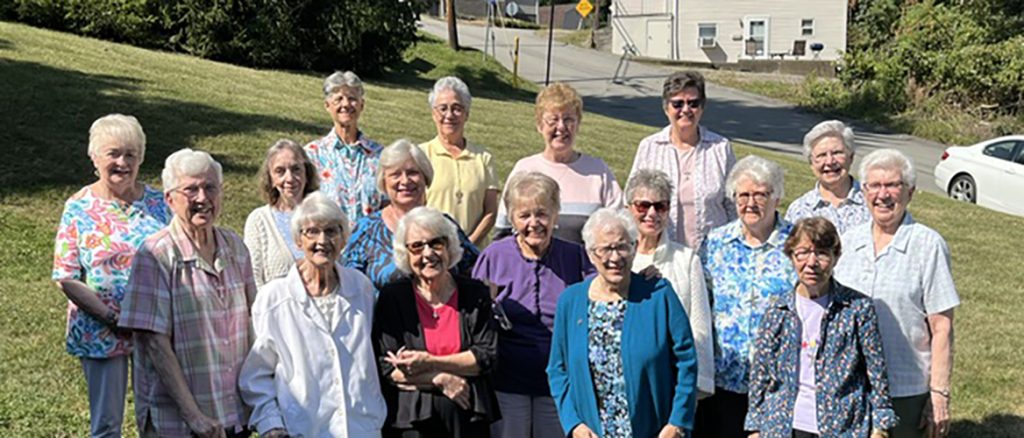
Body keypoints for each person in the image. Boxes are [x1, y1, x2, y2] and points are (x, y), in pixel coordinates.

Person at [119, 149, 256, 438]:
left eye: (210, 188)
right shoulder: (155, 254)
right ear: (170, 199)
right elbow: (154, 343)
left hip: (234, 414)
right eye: (191, 189)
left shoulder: (234, 246)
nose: (202, 198)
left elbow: (254, 319)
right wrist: (194, 416)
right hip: (181, 424)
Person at [52, 114, 171, 438]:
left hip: (154, 327)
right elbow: (66, 276)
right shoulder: (79, 207)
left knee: (159, 420)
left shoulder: (159, 204)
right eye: (113, 154)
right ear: (95, 157)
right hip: (101, 329)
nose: (123, 163)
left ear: (141, 158)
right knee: (106, 425)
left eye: (131, 154)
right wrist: (112, 318)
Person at [834, 149, 959, 438]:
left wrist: (939, 393)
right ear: (864, 192)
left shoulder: (928, 245)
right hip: (849, 386)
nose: (883, 194)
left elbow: (942, 327)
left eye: (892, 185)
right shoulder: (848, 242)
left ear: (910, 192)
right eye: (875, 186)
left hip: (904, 389)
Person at [240, 193, 385, 437]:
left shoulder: (361, 288)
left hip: (361, 427)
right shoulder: (274, 298)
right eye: (312, 232)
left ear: (343, 239)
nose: (322, 240)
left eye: (331, 231)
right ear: (298, 240)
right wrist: (271, 423)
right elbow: (256, 375)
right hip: (302, 429)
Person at [547, 207, 697, 438]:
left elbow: (687, 361)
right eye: (606, 249)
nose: (615, 257)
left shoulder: (659, 294)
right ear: (590, 254)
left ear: (634, 248)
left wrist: (677, 422)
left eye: (622, 247)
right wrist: (573, 424)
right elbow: (557, 370)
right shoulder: (570, 301)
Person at [745, 217, 898, 438]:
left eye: (822, 254)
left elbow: (876, 372)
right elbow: (760, 373)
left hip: (842, 427)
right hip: (783, 425)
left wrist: (881, 426)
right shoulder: (777, 310)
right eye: (802, 253)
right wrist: (755, 428)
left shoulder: (857, 308)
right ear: (791, 256)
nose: (812, 263)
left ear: (835, 257)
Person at [471, 172, 594, 438]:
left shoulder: (575, 256)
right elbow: (474, 317)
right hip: (506, 380)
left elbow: (606, 290)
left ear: (556, 214)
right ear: (512, 219)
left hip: (559, 383)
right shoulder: (495, 256)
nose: (534, 223)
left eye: (542, 214)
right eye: (524, 215)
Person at [372, 206, 500, 437]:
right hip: (412, 420)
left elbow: (485, 357)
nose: (428, 253)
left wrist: (427, 361)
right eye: (417, 246)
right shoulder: (393, 297)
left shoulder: (474, 293)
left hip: (468, 415)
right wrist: (439, 378)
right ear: (406, 254)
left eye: (436, 243)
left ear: (449, 246)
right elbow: (388, 367)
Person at [696, 155, 797, 438]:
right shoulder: (715, 243)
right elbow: (702, 302)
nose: (751, 203)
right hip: (723, 381)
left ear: (777, 198)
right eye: (743, 195)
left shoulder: (796, 243)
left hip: (777, 385)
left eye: (760, 194)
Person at [494, 83, 622, 244]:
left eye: (568, 119)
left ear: (578, 124)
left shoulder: (598, 171)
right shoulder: (524, 170)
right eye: (553, 120)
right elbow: (502, 233)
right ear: (539, 125)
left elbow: (620, 228)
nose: (561, 127)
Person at [624, 169, 715, 397]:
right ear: (628, 208)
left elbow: (699, 328)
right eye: (643, 206)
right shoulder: (614, 258)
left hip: (671, 383)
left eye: (660, 206)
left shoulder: (687, 260)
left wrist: (697, 387)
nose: (652, 213)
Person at [345, 139, 479, 290]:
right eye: (395, 174)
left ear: (425, 177)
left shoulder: (445, 226)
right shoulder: (366, 230)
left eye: (412, 173)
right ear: (384, 182)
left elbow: (477, 271)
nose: (405, 181)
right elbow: (348, 283)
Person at [630, 71, 736, 249]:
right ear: (666, 108)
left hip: (713, 253)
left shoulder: (720, 148)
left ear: (702, 107)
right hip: (662, 253)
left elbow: (734, 205)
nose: (686, 110)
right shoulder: (649, 147)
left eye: (693, 103)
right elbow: (632, 202)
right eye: (678, 104)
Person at [420, 76, 500, 247]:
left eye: (457, 108)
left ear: (466, 114)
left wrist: (467, 246)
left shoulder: (484, 158)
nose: (449, 115)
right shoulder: (421, 155)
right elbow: (415, 210)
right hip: (432, 252)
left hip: (473, 255)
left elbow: (491, 212)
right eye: (443, 108)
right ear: (433, 114)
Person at [304, 71, 385, 223]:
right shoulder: (312, 154)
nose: (346, 104)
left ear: (362, 105)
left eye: (352, 99)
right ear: (327, 106)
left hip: (370, 238)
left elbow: (389, 206)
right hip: (327, 236)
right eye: (339, 99)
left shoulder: (380, 155)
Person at [243, 139, 320, 287]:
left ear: (306, 173)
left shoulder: (323, 216)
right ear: (271, 178)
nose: (289, 178)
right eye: (280, 171)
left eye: (296, 169)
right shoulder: (259, 220)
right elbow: (252, 279)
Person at [784, 120, 871, 234]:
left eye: (837, 153)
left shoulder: (873, 202)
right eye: (822, 155)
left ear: (851, 157)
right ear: (811, 163)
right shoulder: (798, 211)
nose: (830, 161)